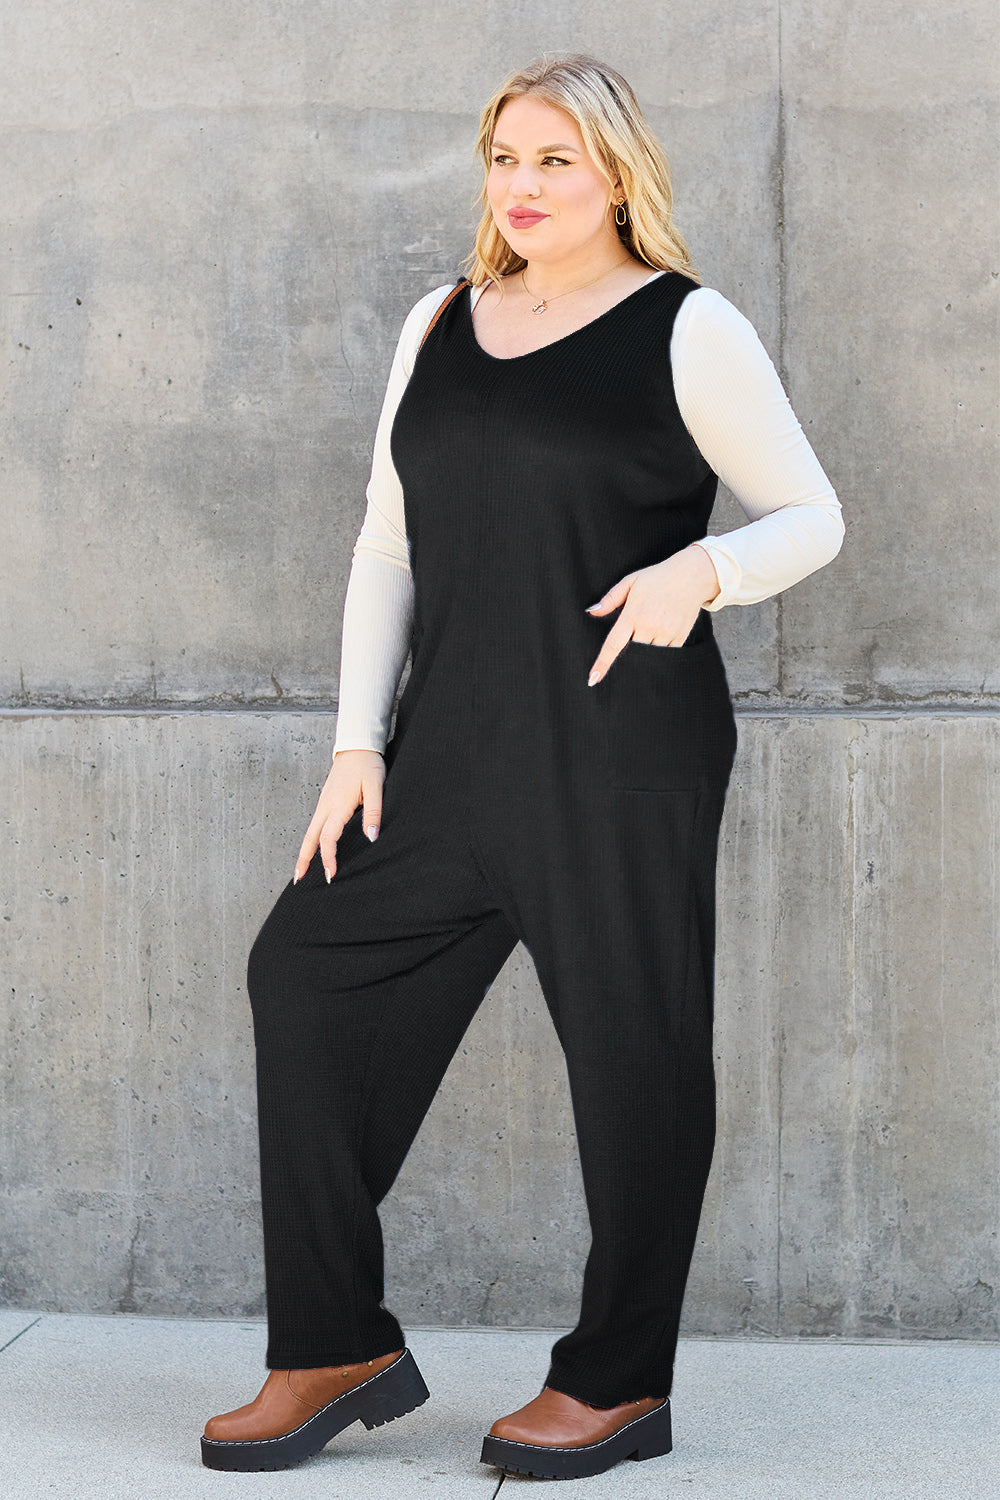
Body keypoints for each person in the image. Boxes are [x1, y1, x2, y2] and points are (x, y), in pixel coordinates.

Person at [200, 54, 844, 1482]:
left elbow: (812, 513)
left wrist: (709, 571)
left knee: (633, 1057)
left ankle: (617, 1383)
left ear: (618, 173)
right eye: (505, 156)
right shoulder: (439, 321)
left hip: (622, 755)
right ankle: (331, 1345)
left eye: (556, 158)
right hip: (446, 753)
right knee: (302, 973)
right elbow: (387, 543)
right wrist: (357, 743)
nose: (524, 185)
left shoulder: (689, 328)